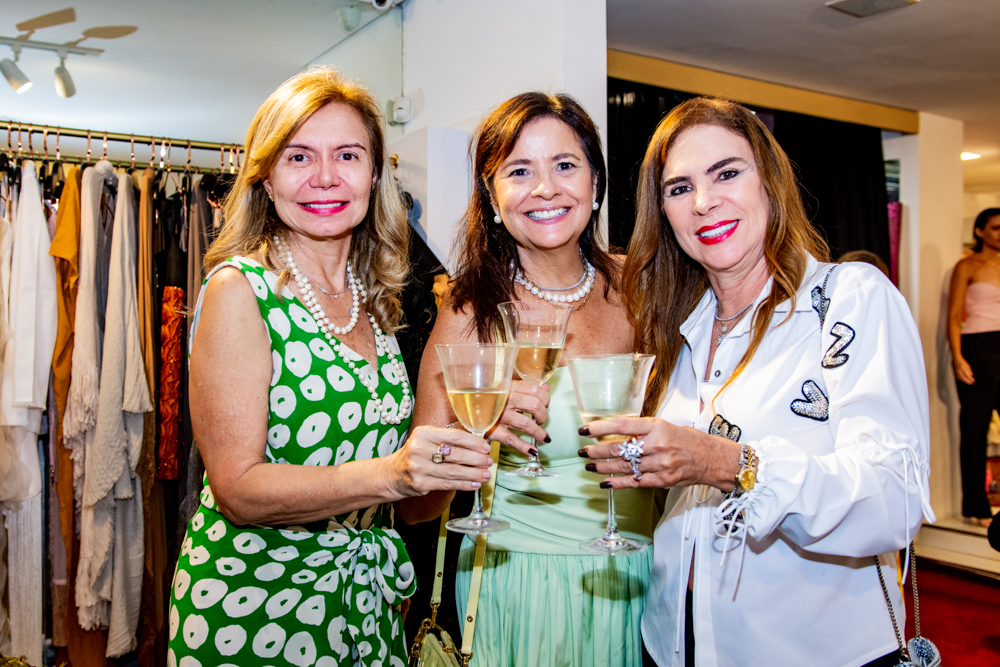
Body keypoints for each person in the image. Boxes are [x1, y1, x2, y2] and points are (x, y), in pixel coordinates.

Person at [579, 97, 935, 667]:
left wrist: (727, 463)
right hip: (672, 643)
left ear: (769, 181)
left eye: (727, 173)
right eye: (678, 188)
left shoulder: (848, 301)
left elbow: (892, 502)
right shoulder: (677, 330)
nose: (703, 201)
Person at [167, 68, 495, 667]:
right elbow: (238, 488)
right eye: (298, 156)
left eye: (347, 155)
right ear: (266, 177)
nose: (325, 177)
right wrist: (392, 475)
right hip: (256, 606)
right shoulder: (240, 291)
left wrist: (469, 445)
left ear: (375, 173)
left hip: (364, 605)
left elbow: (407, 501)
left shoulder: (376, 296)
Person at [397, 92, 655, 666]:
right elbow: (416, 509)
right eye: (520, 171)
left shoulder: (645, 290)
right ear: (492, 198)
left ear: (595, 183)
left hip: (641, 579)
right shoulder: (468, 311)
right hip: (519, 587)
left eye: (565, 166)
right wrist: (473, 435)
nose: (546, 188)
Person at [947, 208, 1000, 526]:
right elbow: (954, 315)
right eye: (995, 227)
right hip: (978, 347)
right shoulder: (967, 265)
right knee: (975, 427)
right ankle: (977, 506)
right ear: (980, 231)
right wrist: (957, 357)